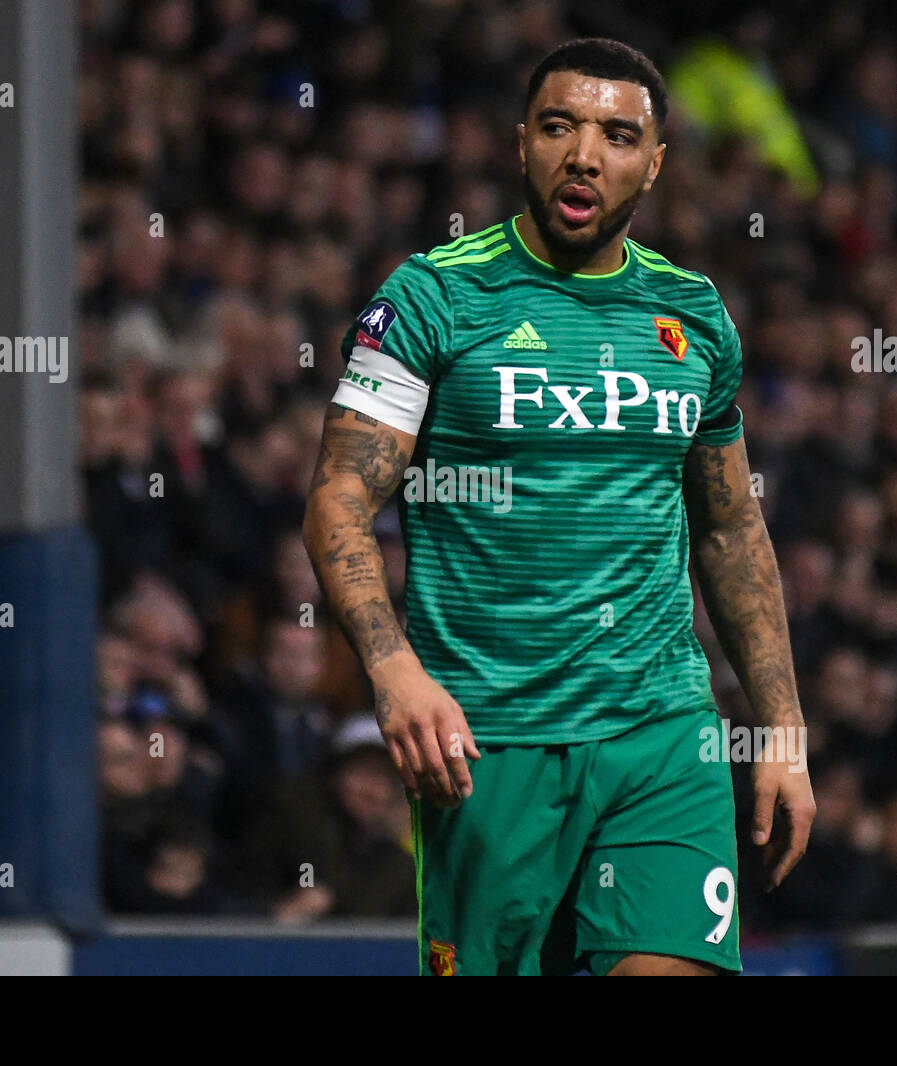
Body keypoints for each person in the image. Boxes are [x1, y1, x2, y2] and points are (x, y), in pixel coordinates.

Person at [303, 38, 815, 976]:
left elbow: (733, 527)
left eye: (620, 135)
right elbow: (340, 495)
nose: (586, 154)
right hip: (492, 741)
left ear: (655, 163)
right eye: (559, 127)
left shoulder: (693, 314)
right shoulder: (435, 297)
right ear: (522, 144)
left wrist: (781, 731)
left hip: (662, 729)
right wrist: (394, 672)